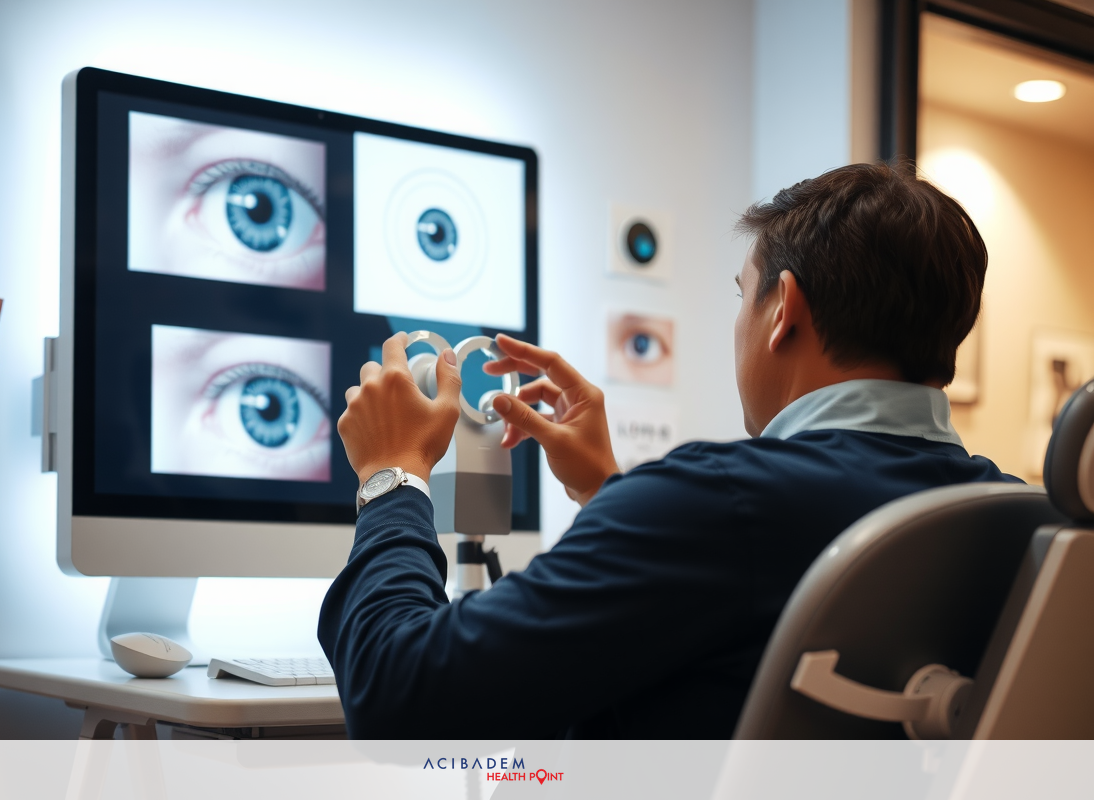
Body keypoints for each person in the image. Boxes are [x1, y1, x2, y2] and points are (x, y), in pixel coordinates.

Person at [318, 162, 1017, 738]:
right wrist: (611, 494)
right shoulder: (1017, 515)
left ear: (784, 313)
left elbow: (397, 693)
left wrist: (393, 475)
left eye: (744, 295)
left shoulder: (720, 502)